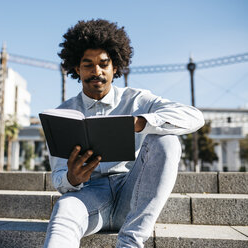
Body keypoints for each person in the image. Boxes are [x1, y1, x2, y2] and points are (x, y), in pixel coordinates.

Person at [43, 19, 204, 248]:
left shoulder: (138, 99)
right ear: (77, 69)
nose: (96, 71)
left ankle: (130, 243)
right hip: (89, 197)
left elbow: (195, 117)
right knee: (64, 208)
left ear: (115, 67)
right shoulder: (63, 114)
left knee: (167, 140)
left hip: (133, 195)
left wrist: (141, 122)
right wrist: (72, 178)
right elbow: (59, 179)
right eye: (87, 64)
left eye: (103, 63)